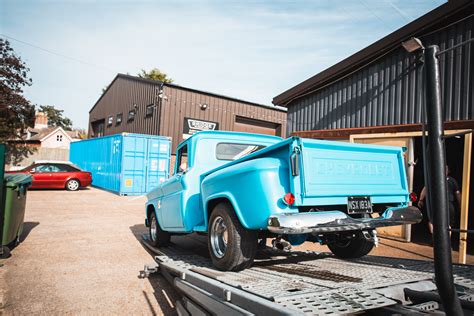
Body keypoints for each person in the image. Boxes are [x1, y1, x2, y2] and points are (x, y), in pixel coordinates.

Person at [418, 165, 461, 234]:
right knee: (447, 223)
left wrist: (421, 200)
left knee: (432, 221)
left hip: (437, 203)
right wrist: (460, 204)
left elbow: (425, 189)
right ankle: (447, 242)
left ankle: (435, 238)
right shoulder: (452, 181)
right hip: (447, 204)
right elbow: (457, 194)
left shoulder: (434, 179)